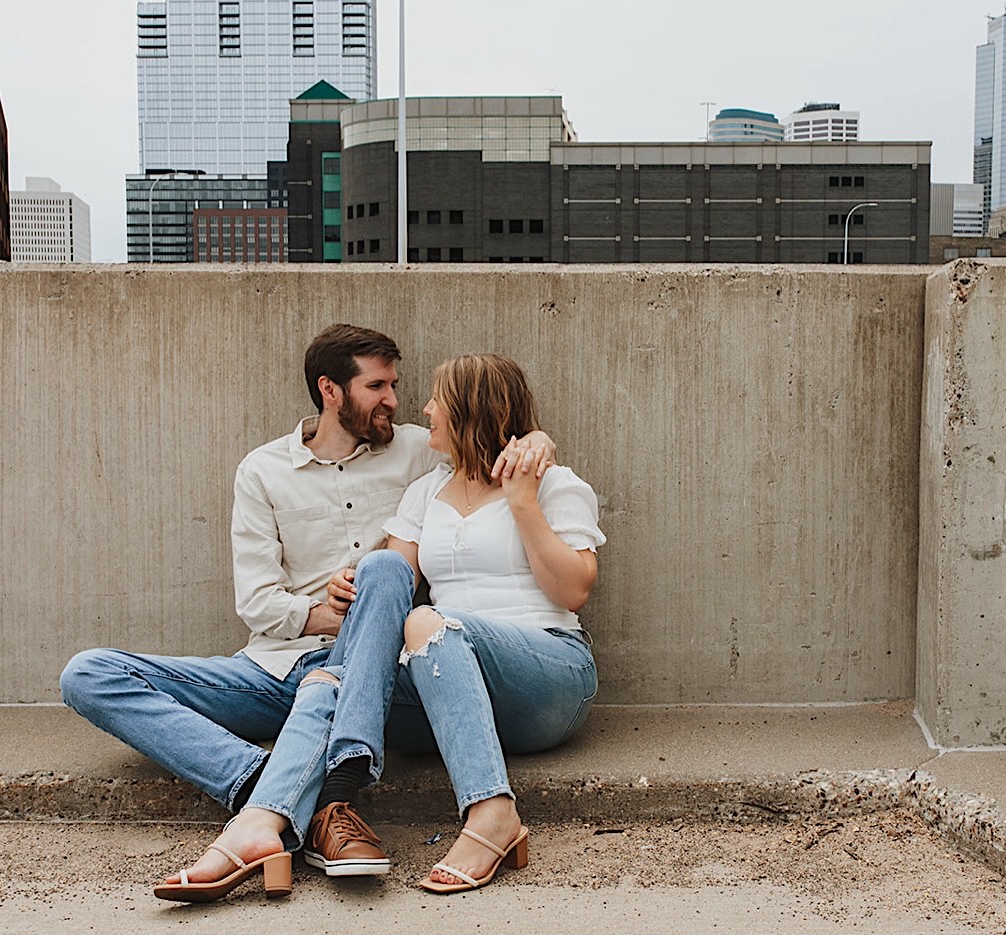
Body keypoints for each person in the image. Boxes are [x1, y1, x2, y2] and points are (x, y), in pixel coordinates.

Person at [60, 327, 552, 846]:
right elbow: (257, 603)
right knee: (88, 674)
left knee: (382, 585)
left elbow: (493, 443)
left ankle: (285, 792)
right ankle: (255, 779)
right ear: (330, 390)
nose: (394, 401)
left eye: (394, 385)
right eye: (377, 387)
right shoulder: (263, 471)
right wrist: (328, 613)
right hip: (278, 669)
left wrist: (538, 440)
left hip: (374, 674)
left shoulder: (420, 450)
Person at [154, 353, 602, 902]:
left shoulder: (552, 483)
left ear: (468, 410)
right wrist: (354, 586)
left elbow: (573, 590)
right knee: (375, 595)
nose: (424, 408)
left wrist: (523, 503)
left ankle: (490, 810)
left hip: (545, 676)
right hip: (444, 683)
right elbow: (389, 590)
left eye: (437, 398)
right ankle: (264, 822)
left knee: (426, 620)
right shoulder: (426, 491)